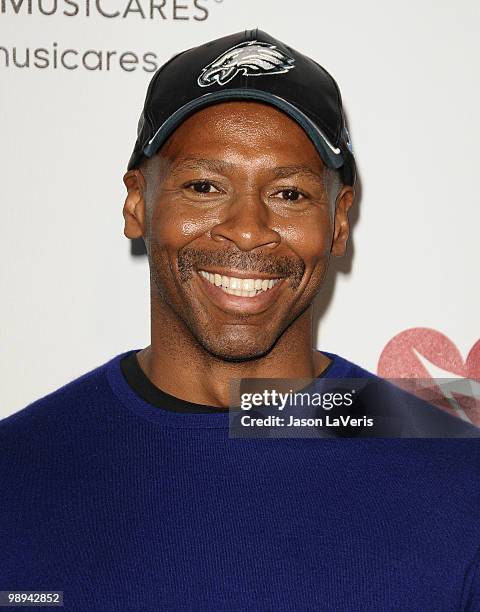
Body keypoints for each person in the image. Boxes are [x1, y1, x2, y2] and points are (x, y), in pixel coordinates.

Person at [1, 30, 479, 611]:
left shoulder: (458, 476)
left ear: (338, 222)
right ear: (136, 204)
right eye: (204, 186)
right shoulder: (18, 468)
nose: (248, 228)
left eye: (290, 194)